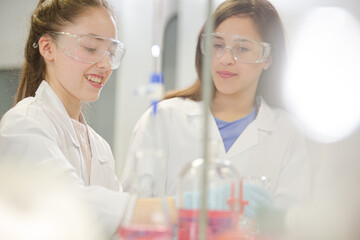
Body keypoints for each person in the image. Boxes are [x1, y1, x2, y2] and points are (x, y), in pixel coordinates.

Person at [0, 0, 176, 238]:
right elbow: (71, 204)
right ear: (48, 48)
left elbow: (116, 229)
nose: (105, 65)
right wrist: (175, 208)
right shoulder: (24, 124)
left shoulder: (99, 147)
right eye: (91, 48)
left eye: (111, 52)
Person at [121, 0, 311, 214]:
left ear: (268, 58)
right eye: (217, 45)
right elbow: (133, 213)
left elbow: (291, 224)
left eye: (243, 48)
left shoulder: (286, 132)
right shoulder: (163, 118)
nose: (226, 59)